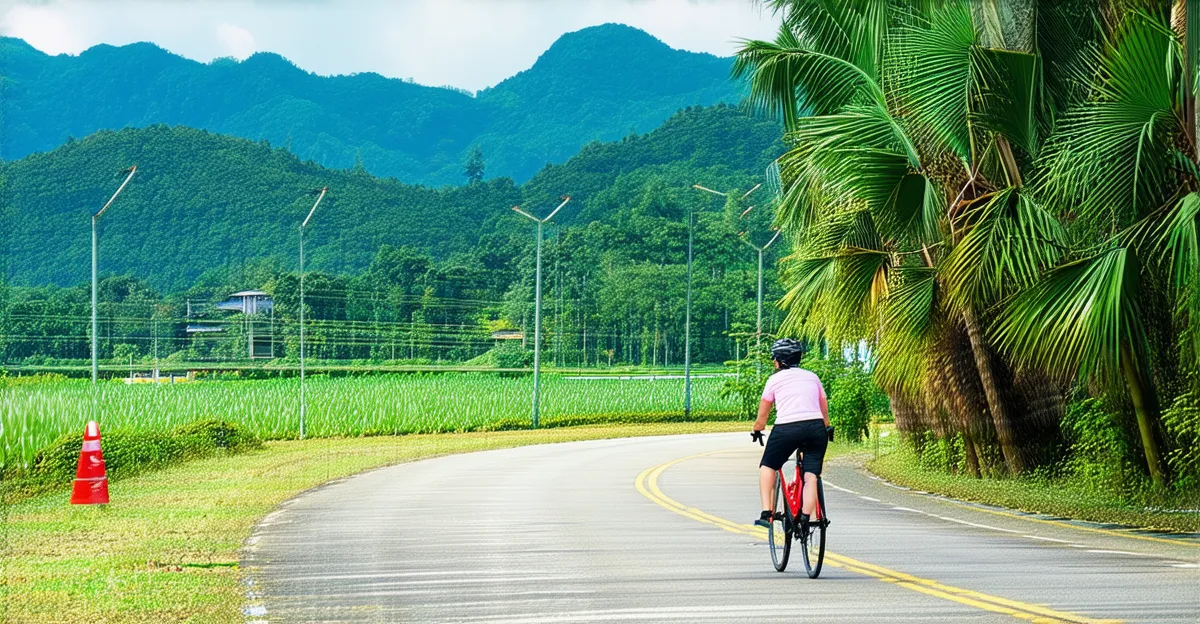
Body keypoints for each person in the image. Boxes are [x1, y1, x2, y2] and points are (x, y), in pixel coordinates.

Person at [751, 338, 833, 532]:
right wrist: (827, 426)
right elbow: (823, 405)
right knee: (811, 475)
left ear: (779, 361)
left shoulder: (774, 380)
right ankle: (806, 518)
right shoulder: (812, 377)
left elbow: (763, 413)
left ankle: (766, 513)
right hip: (815, 427)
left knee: (768, 466)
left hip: (786, 428)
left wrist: (757, 429)